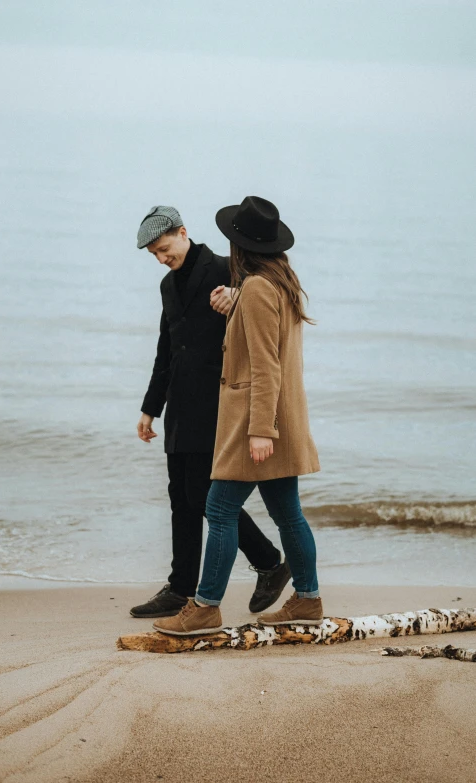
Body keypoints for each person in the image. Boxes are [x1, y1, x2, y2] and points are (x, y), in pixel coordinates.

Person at [154, 196, 323, 636]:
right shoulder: (276, 283)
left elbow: (265, 364)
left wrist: (260, 430)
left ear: (239, 245)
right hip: (280, 419)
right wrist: (235, 308)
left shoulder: (258, 289)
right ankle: (307, 599)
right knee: (288, 515)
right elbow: (264, 346)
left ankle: (205, 607)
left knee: (219, 507)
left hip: (258, 424)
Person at [131, 205, 292, 619]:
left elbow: (273, 302)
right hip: (180, 407)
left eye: (164, 249)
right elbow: (167, 349)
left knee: (204, 496)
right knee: (180, 498)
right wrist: (151, 407)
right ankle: (181, 588)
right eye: (154, 255)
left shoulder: (226, 268)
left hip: (220, 404)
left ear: (183, 233)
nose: (161, 259)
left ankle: (270, 563)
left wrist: (239, 296)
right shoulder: (168, 286)